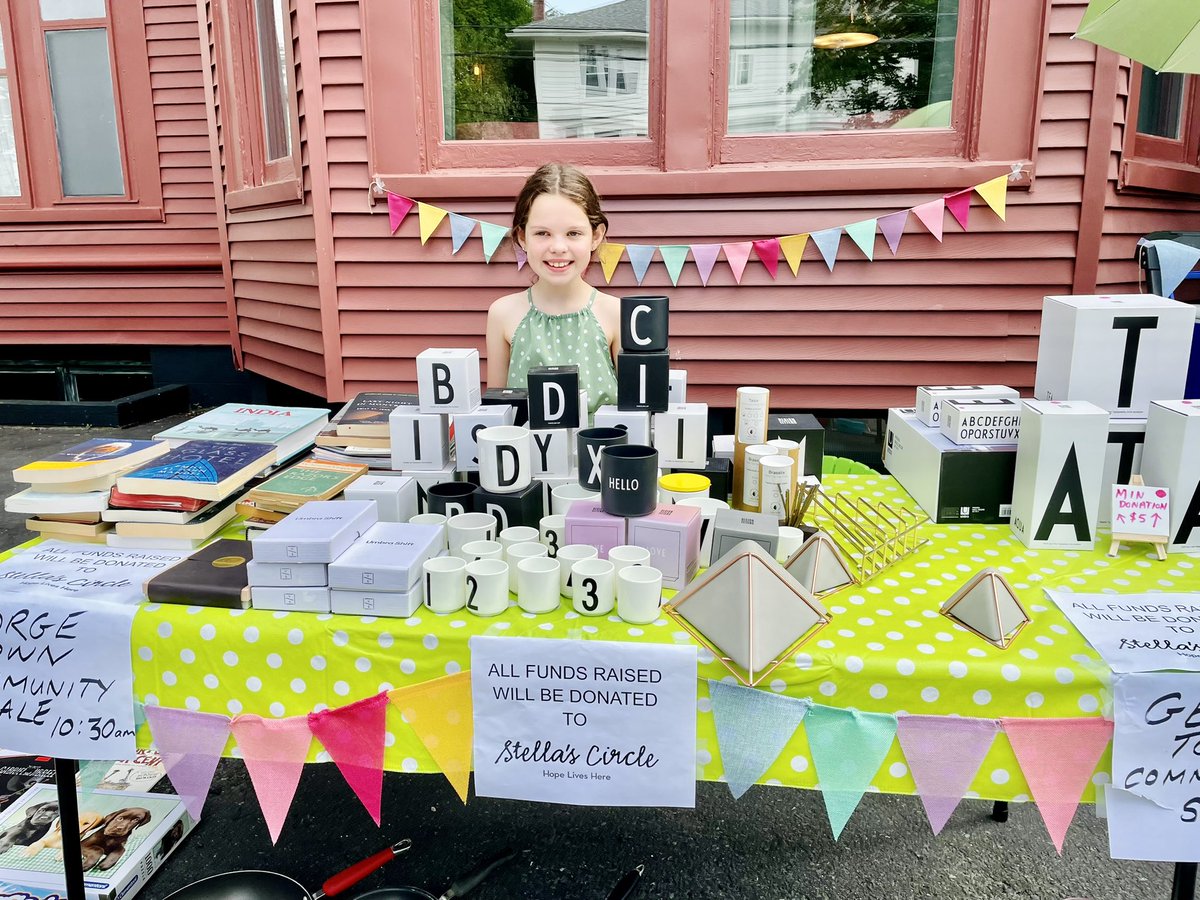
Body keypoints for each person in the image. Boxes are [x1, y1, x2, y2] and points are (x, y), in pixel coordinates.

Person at [486, 163, 620, 413]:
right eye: (543, 233)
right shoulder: (502, 314)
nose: (558, 247)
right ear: (522, 237)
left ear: (596, 236)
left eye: (573, 233)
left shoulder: (616, 313)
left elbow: (635, 411)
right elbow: (497, 413)